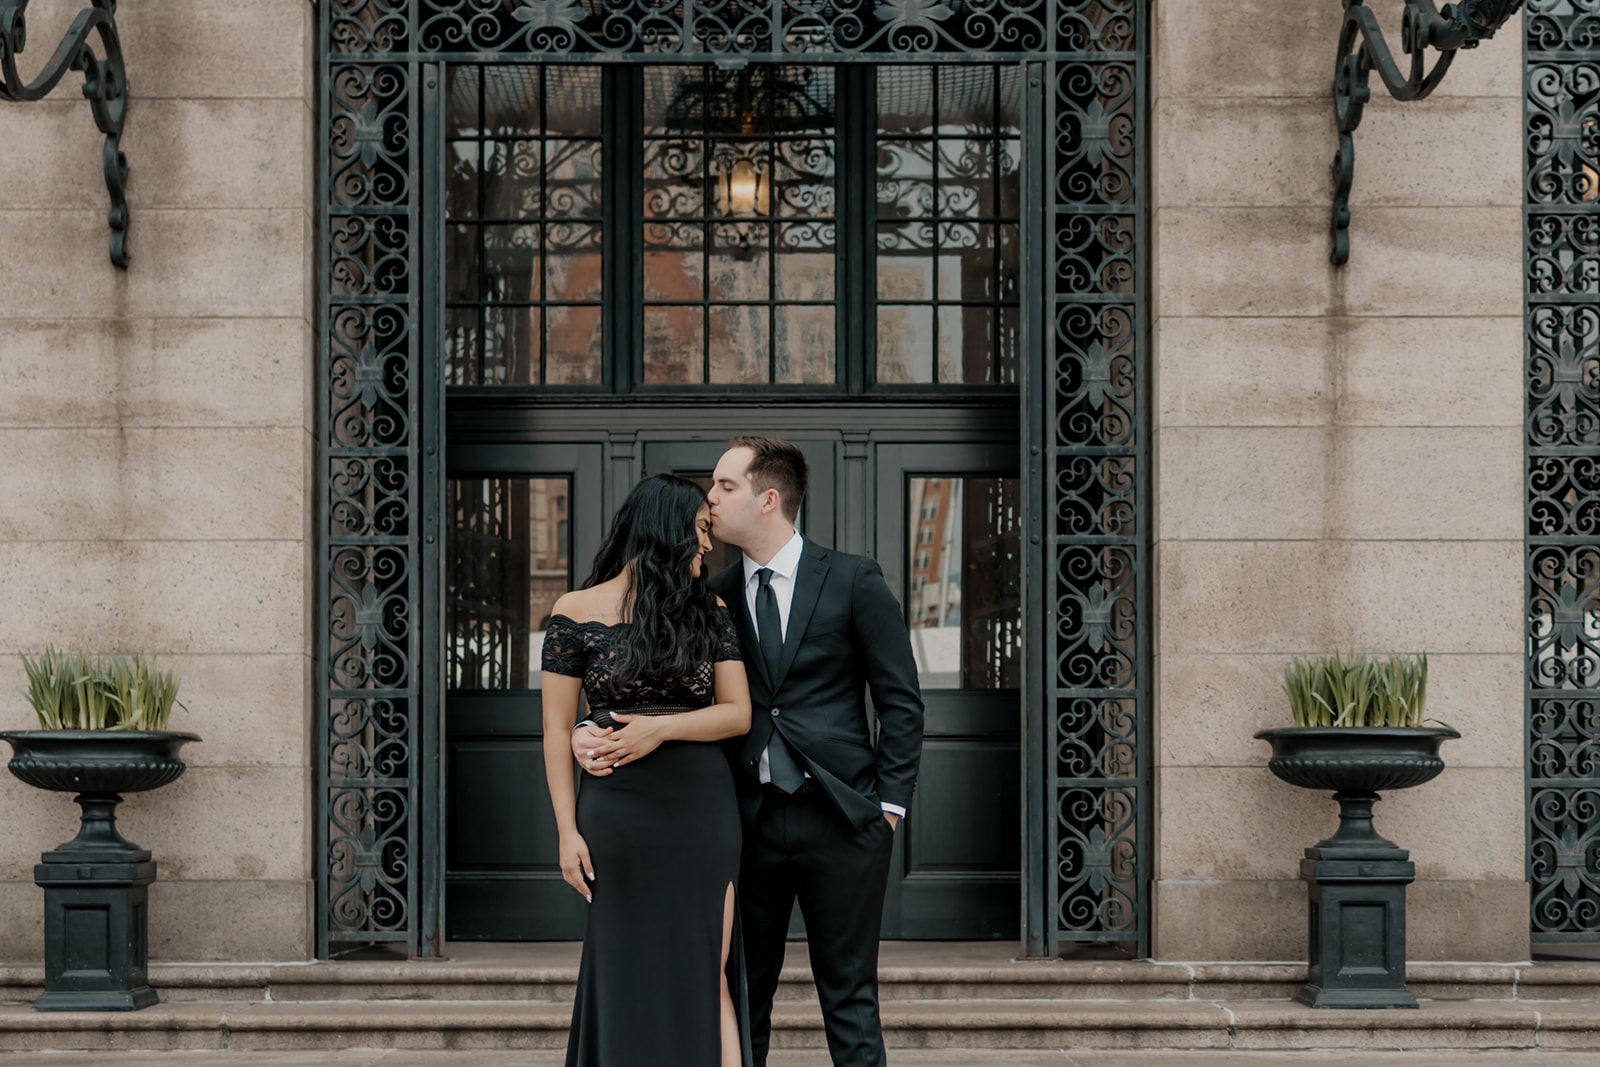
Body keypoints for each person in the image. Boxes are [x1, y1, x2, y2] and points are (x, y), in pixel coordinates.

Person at [577, 437, 925, 1067]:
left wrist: (889, 809)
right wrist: (589, 729)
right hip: (742, 823)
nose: (709, 499)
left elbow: (900, 701)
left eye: (724, 486)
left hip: (843, 820)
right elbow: (657, 685)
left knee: (849, 999)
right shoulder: (707, 595)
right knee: (744, 994)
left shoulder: (853, 578)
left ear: (768, 499)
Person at [541, 474, 754, 1067]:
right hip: (617, 813)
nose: (708, 545)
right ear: (665, 531)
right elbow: (558, 729)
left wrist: (659, 728)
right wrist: (566, 832)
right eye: (701, 530)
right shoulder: (573, 612)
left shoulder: (709, 609)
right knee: (624, 965)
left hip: (701, 810)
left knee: (704, 965)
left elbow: (738, 714)